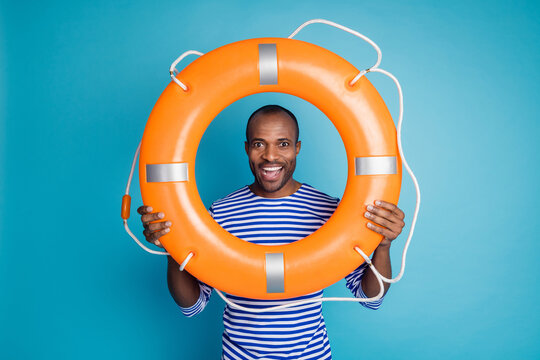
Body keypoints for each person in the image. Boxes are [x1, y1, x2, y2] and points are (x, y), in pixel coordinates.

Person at [138, 105, 406, 359]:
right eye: (259, 144)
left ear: (297, 148)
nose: (270, 156)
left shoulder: (331, 212)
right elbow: (192, 305)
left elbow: (371, 298)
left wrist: (383, 245)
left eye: (283, 143)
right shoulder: (220, 214)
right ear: (246, 149)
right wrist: (172, 249)